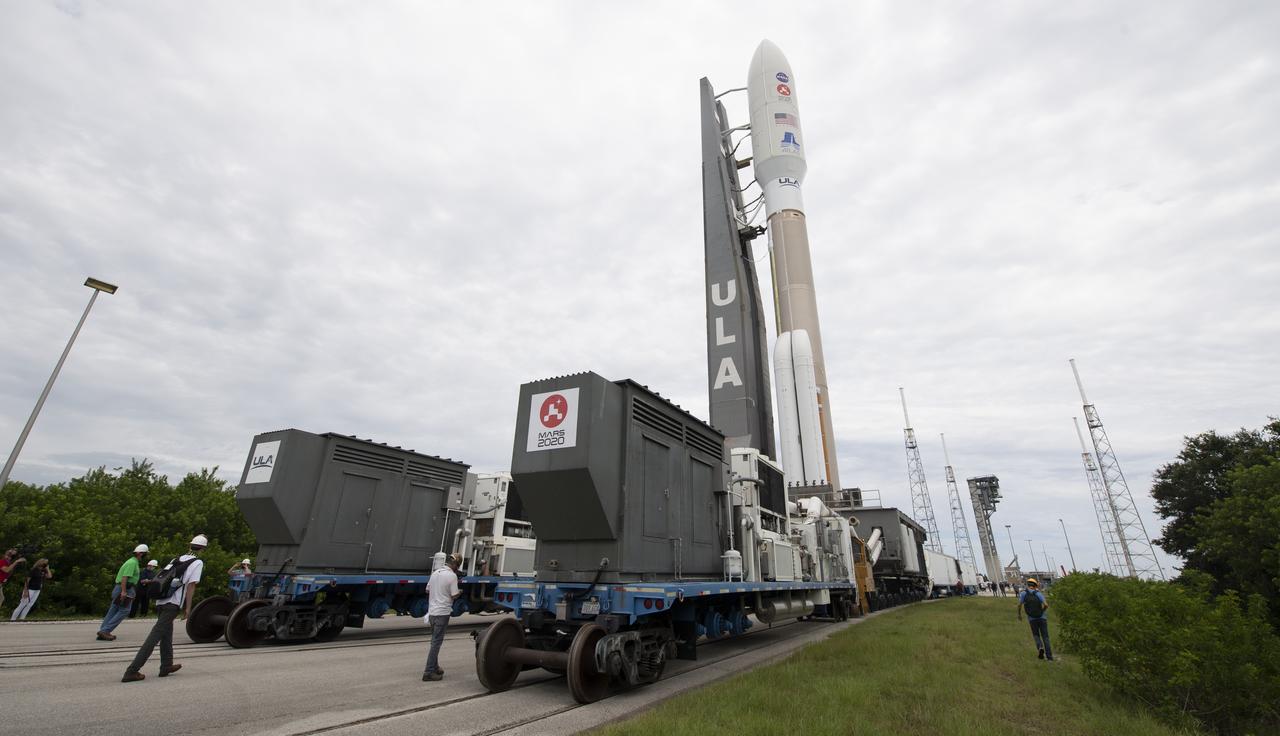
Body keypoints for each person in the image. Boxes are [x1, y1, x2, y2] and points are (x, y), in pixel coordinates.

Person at [121, 534, 206, 682]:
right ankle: (132, 670)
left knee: (167, 634)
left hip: (160, 601)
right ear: (203, 549)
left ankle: (166, 665)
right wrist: (188, 608)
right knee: (155, 636)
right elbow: (191, 585)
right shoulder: (197, 562)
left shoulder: (176, 559)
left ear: (189, 545)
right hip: (172, 604)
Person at [422, 554, 461, 682]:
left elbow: (427, 590)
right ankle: (428, 672)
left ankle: (435, 667)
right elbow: (454, 595)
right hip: (443, 613)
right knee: (436, 643)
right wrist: (459, 592)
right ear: (455, 565)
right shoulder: (452, 576)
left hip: (432, 612)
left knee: (434, 641)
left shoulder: (435, 573)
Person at [98, 544, 149, 641]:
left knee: (113, 609)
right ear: (140, 553)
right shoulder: (132, 563)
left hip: (123, 588)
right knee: (124, 610)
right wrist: (124, 591)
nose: (145, 556)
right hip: (125, 588)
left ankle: (103, 631)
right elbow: (125, 577)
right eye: (145, 554)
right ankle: (105, 630)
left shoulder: (132, 562)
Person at [1017, 577, 1053, 661]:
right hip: (1042, 618)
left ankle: (1040, 647)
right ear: (1035, 585)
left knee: (1036, 635)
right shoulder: (1038, 594)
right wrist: (1042, 612)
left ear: (1028, 585)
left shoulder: (1023, 594)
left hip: (1032, 619)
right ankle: (1050, 658)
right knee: (1045, 637)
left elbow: (1019, 605)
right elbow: (1046, 605)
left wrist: (1019, 614)